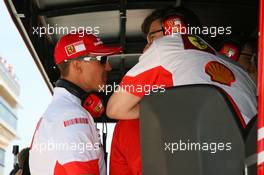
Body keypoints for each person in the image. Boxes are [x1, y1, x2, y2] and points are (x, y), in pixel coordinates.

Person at [107, 7, 257, 175]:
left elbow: (115, 109)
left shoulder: (167, 45)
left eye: (151, 38)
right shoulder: (238, 69)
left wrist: (156, 106)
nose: (146, 48)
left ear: (177, 29)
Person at [29, 32, 122, 175]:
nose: (108, 67)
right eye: (102, 59)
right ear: (77, 66)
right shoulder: (72, 115)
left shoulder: (61, 111)